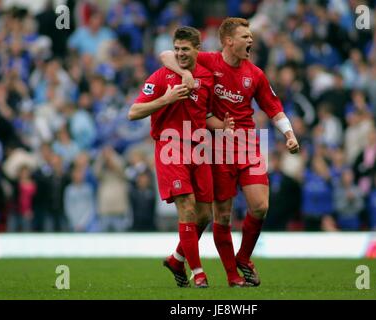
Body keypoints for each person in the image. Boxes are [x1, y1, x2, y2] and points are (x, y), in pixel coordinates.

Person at [160, 17, 299, 287]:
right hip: (216, 147)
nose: (250, 40)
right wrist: (186, 73)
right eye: (245, 36)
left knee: (260, 206)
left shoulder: (255, 74)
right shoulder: (209, 61)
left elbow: (273, 107)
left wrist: (289, 134)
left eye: (250, 35)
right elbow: (167, 54)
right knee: (221, 216)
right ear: (228, 41)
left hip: (249, 144)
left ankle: (243, 257)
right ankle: (232, 277)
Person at [128, 26, 234, 288]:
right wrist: (165, 99)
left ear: (197, 50)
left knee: (204, 215)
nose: (180, 53)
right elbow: (134, 111)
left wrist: (223, 126)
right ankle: (197, 272)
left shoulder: (208, 78)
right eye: (177, 49)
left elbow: (205, 115)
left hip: (198, 146)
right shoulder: (162, 76)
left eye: (185, 49)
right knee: (186, 207)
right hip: (170, 145)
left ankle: (176, 259)